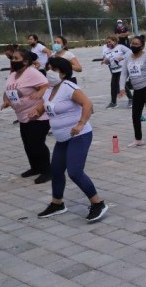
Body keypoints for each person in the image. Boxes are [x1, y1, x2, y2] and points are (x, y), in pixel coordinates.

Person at [29, 58, 107, 222]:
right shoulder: (49, 90)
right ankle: (57, 204)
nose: (50, 72)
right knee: (56, 171)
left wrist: (80, 124)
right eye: (49, 68)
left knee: (75, 171)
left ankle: (98, 203)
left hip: (80, 135)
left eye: (54, 69)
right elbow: (44, 105)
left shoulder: (69, 87)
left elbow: (87, 104)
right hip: (62, 138)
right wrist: (35, 112)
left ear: (63, 72)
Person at [1, 50, 51, 184]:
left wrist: (40, 92)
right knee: (28, 143)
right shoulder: (13, 74)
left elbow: (47, 87)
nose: (12, 60)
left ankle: (47, 171)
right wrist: (6, 100)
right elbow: (8, 91)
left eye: (16, 58)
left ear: (25, 61)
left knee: (37, 143)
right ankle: (35, 168)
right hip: (22, 115)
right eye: (12, 58)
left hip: (38, 115)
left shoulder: (32, 73)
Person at [101, 36, 134, 108]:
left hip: (122, 69)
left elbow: (130, 52)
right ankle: (113, 102)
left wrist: (123, 57)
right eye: (107, 43)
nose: (108, 44)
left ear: (115, 41)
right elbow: (107, 60)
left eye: (109, 42)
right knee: (113, 85)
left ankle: (131, 99)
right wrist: (105, 61)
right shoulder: (107, 50)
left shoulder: (120, 47)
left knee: (121, 83)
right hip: (114, 70)